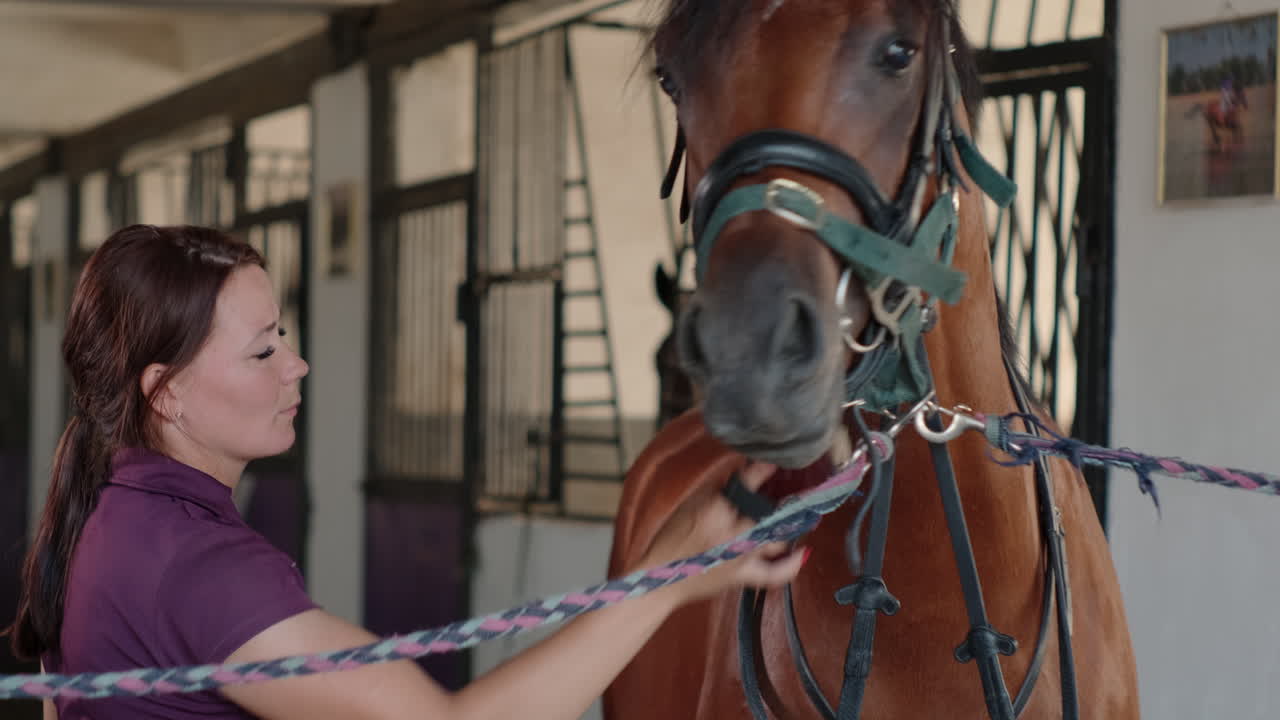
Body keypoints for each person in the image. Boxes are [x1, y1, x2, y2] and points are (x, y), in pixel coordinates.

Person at [3, 224, 804, 720]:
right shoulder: (197, 566)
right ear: (167, 393)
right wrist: (664, 577)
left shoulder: (111, 514)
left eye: (284, 334)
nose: (299, 365)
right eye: (262, 352)